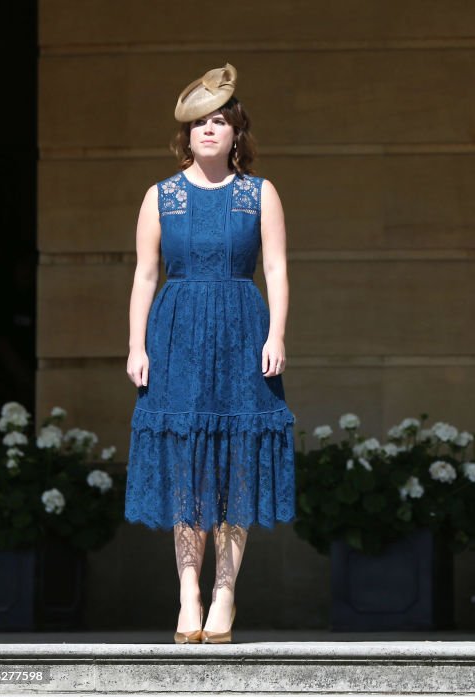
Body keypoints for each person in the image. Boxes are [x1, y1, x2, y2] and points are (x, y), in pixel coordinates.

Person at [124, 64, 295, 644]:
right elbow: (146, 275)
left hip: (241, 331)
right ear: (186, 134)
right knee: (186, 467)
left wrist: (276, 335)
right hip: (176, 335)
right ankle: (188, 592)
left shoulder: (258, 193)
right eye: (199, 123)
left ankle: (225, 594)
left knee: (236, 462)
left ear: (235, 133)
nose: (208, 130)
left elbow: (275, 270)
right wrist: (136, 344)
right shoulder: (161, 196)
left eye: (219, 121)